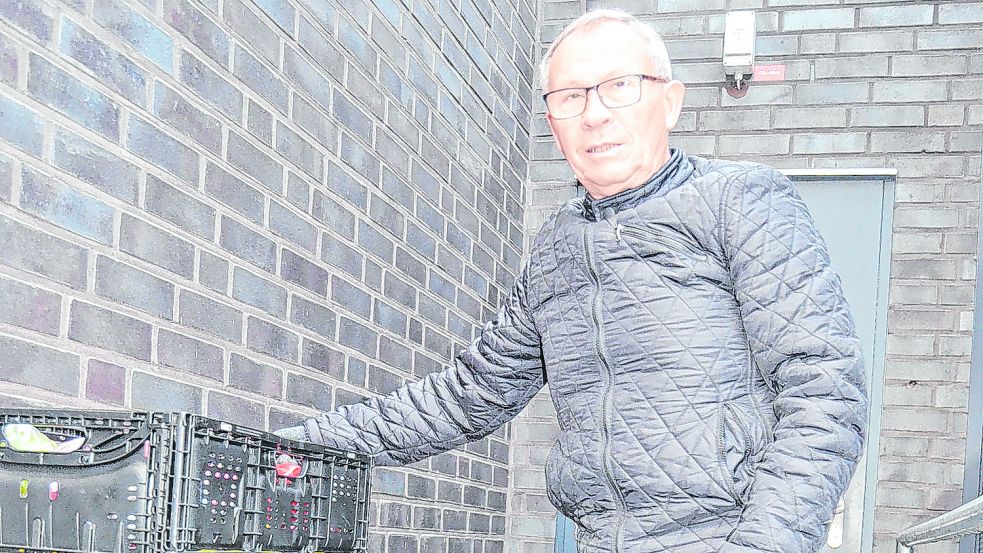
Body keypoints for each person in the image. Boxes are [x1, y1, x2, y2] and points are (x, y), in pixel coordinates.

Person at [276, 9, 867, 553]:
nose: (593, 113)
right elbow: (467, 395)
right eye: (568, 96)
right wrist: (313, 442)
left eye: (618, 86)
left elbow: (825, 393)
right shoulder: (555, 250)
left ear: (671, 102)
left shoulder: (741, 201)